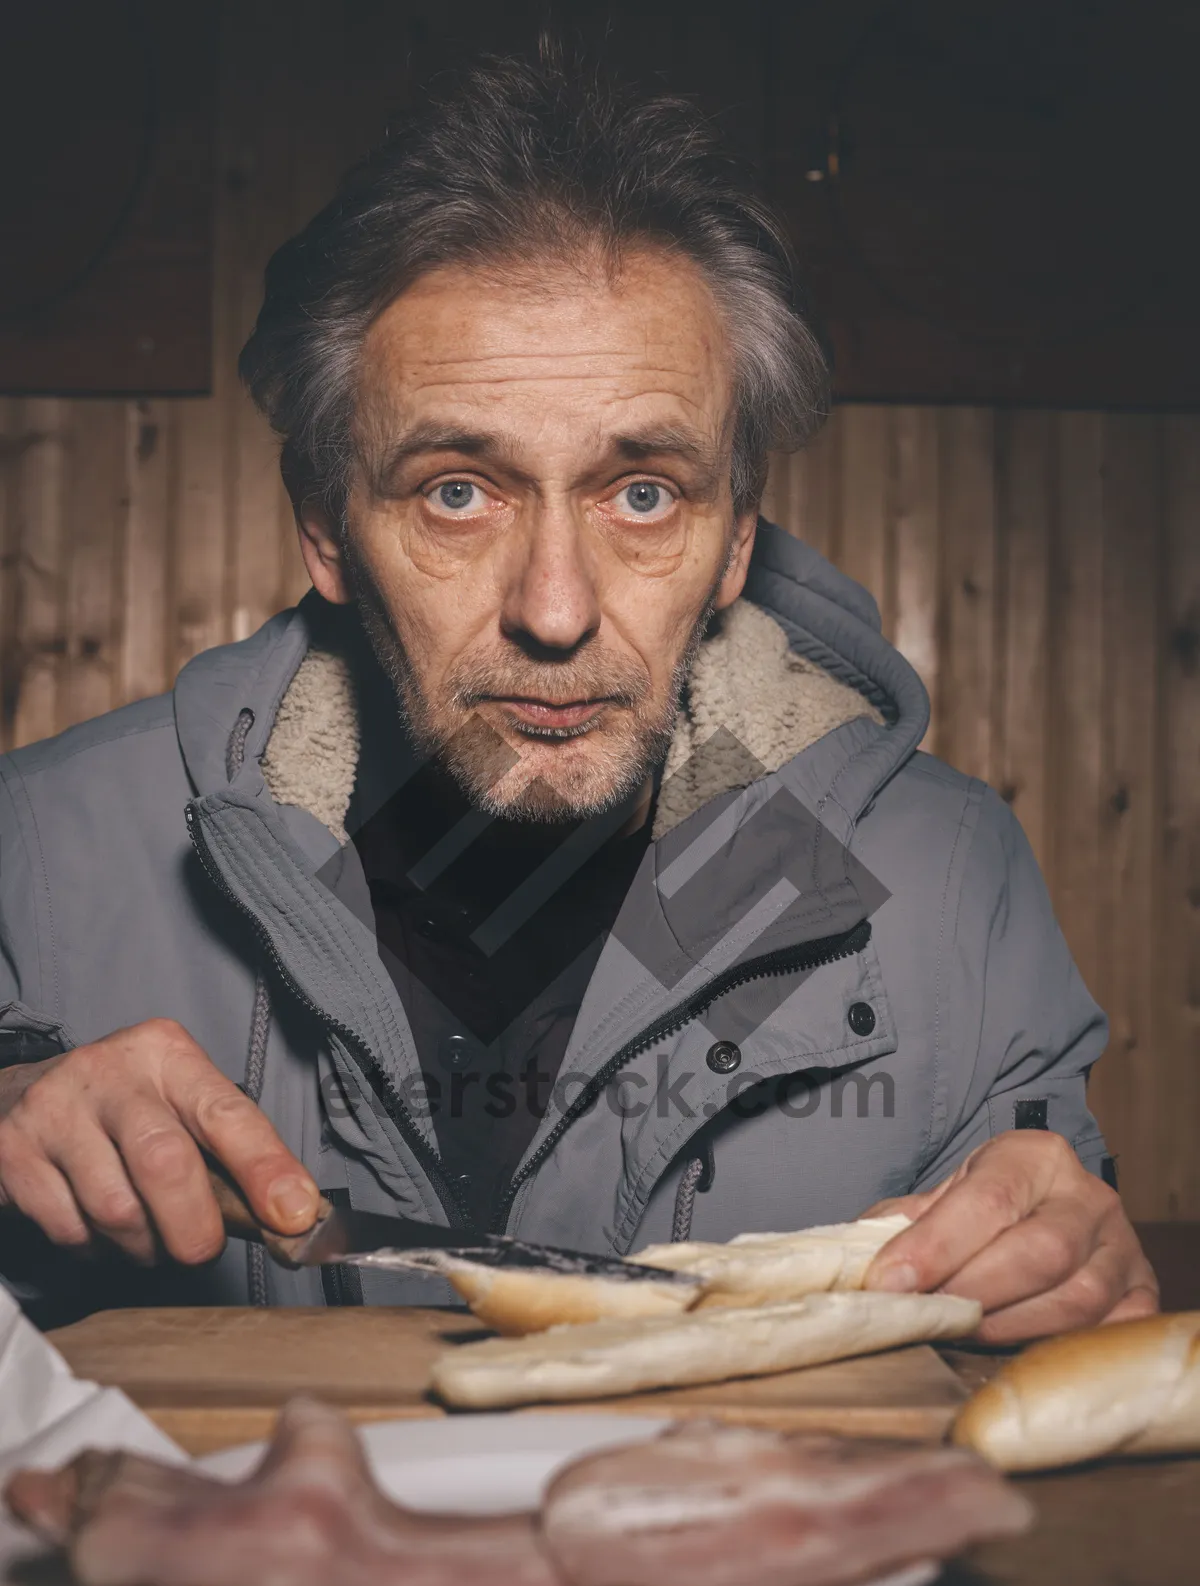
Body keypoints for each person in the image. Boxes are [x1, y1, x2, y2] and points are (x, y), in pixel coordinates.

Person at [0, 51, 1156, 1337]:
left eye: (642, 493)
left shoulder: (955, 882)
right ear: (326, 531)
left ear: (733, 543)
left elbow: (1056, 1230)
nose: (555, 610)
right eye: (458, 490)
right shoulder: (35, 851)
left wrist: (1066, 1253)